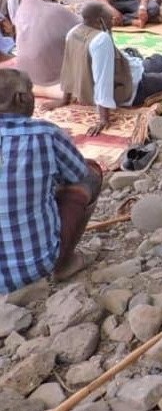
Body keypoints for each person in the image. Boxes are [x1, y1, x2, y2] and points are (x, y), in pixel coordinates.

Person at [0, 69, 103, 290]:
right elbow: (79, 175)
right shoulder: (44, 133)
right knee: (90, 174)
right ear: (21, 98)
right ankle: (63, 263)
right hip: (32, 268)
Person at [54, 2, 162, 134]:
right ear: (100, 20)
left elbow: (69, 67)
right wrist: (104, 118)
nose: (114, 21)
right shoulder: (100, 40)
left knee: (159, 60)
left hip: (133, 70)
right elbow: (102, 79)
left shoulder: (73, 32)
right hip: (132, 88)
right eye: (110, 19)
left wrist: (65, 98)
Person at [12, 0, 79, 87]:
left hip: (26, 74)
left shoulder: (21, 11)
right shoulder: (55, 11)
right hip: (53, 76)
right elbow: (85, 29)